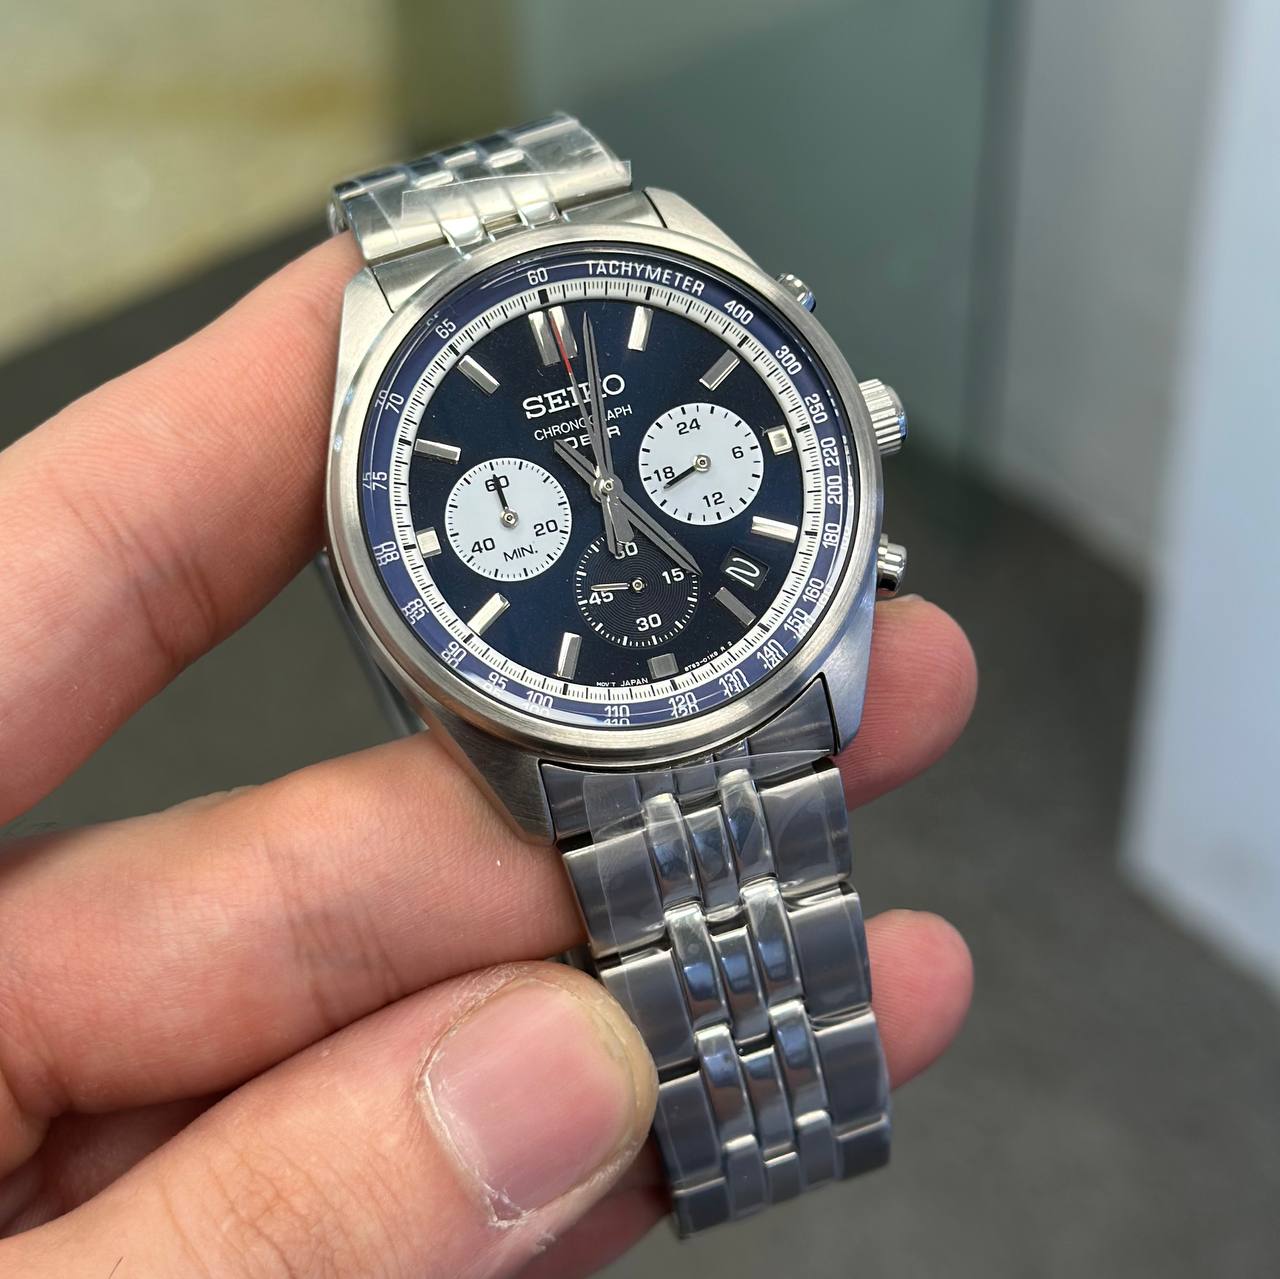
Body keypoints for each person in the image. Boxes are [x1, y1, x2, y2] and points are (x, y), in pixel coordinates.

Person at [0, 235, 976, 1276]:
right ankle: (745, 1130)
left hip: (764, 677)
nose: (609, 493)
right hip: (570, 744)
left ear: (857, 419)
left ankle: (764, 1124)